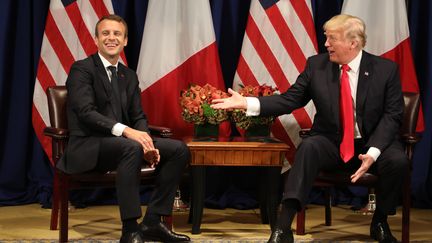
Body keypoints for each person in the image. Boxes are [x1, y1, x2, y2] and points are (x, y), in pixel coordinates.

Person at [212, 14, 407, 243]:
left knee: (397, 160)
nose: (326, 44)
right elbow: (289, 100)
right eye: (326, 38)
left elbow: (393, 115)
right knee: (308, 148)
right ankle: (283, 228)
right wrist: (246, 103)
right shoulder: (317, 66)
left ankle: (380, 221)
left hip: (372, 142)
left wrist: (373, 153)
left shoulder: (385, 69)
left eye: (331, 39)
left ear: (353, 43)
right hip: (332, 143)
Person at [57, 14, 191, 243]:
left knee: (179, 149)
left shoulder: (128, 75)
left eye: (117, 34)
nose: (111, 38)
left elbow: (138, 116)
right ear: (96, 39)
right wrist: (129, 133)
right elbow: (86, 113)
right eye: (105, 33)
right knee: (130, 147)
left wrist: (146, 141)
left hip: (124, 145)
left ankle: (153, 221)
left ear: (125, 40)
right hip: (88, 146)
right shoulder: (82, 69)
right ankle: (130, 229)